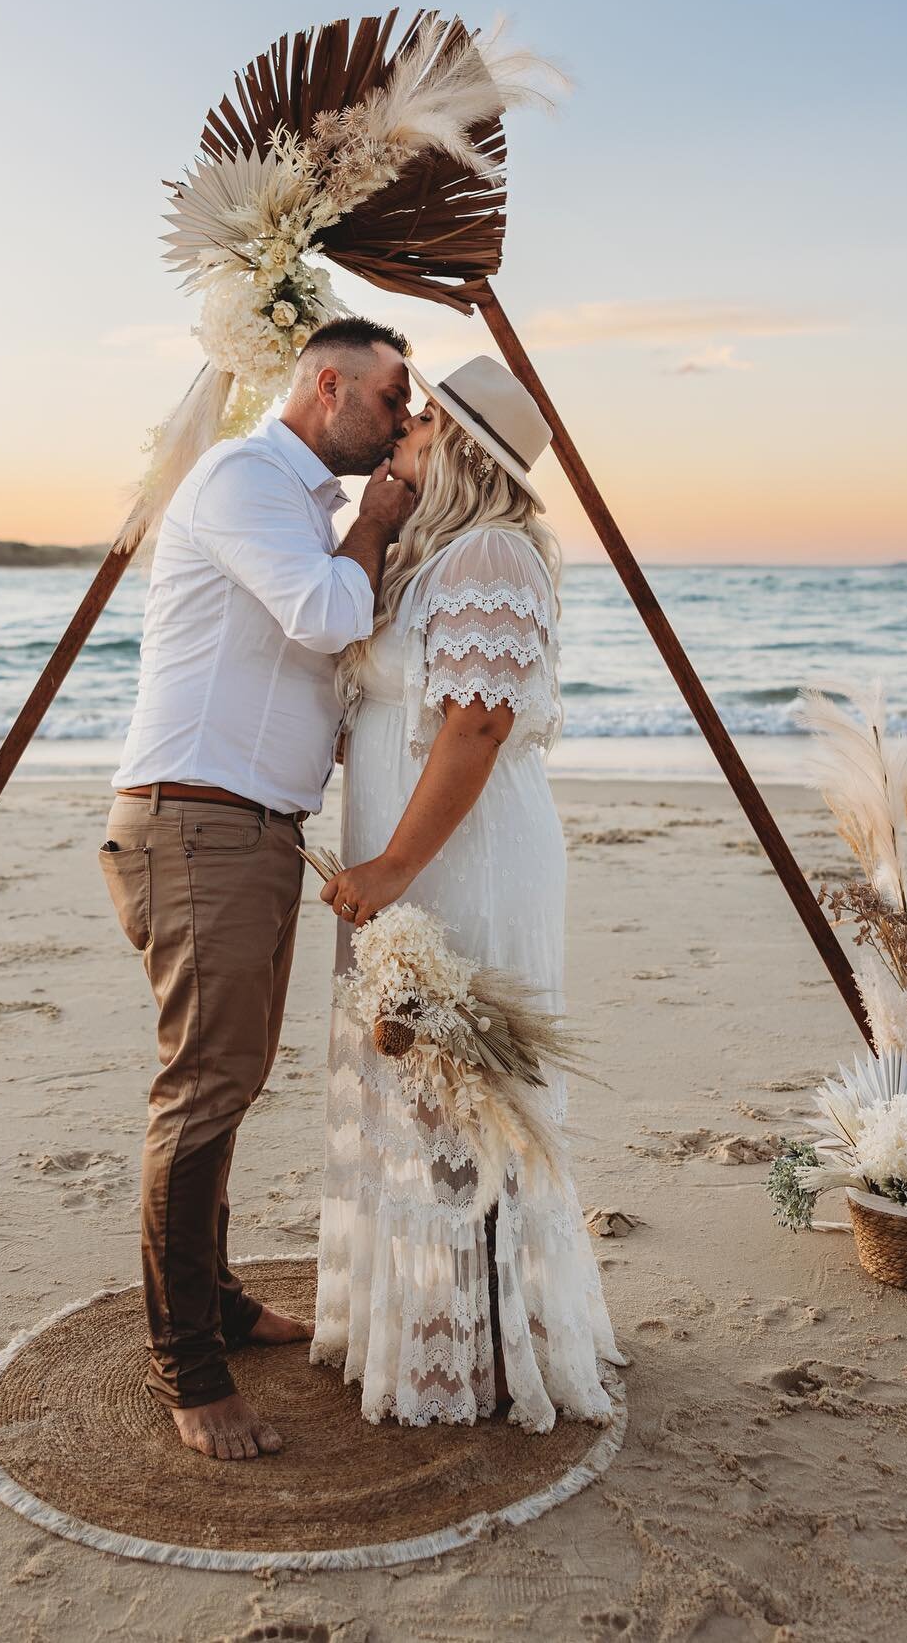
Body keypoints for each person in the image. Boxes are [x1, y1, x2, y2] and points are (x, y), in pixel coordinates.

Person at [101, 316, 417, 1460]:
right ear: (325, 384)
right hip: (198, 828)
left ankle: (219, 1299)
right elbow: (331, 615)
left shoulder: (300, 506)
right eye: (390, 398)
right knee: (203, 1088)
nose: (399, 421)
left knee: (227, 1082)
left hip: (248, 830)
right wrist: (380, 521)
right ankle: (187, 1363)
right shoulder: (244, 476)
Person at [311, 355, 627, 1431]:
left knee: (463, 1087)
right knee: (418, 1082)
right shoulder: (433, 555)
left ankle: (487, 1349)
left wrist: (394, 864)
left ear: (461, 447)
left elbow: (476, 723)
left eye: (420, 417)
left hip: (465, 858)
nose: (399, 425)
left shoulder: (490, 553)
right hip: (410, 853)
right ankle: (441, 1330)